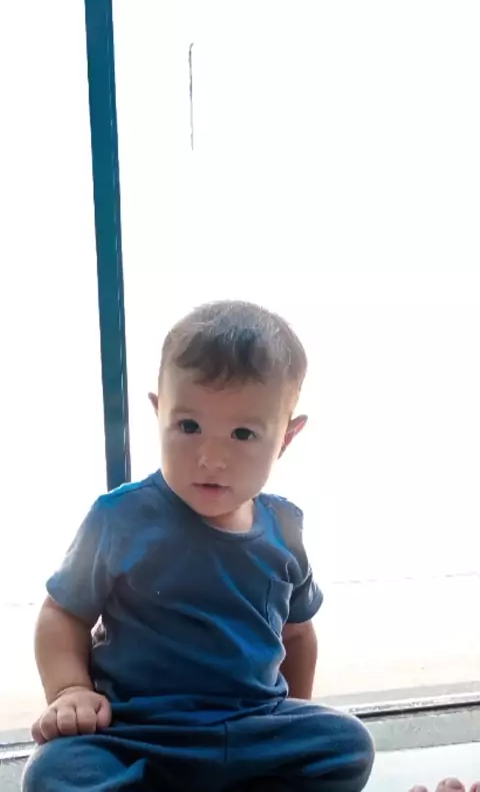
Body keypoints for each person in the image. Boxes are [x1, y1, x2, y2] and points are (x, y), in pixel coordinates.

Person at [23, 299, 374, 791]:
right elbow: (63, 614)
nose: (211, 458)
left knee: (347, 744)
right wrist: (70, 690)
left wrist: (287, 723)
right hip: (138, 733)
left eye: (243, 434)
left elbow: (297, 636)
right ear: (159, 412)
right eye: (189, 427)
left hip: (250, 727)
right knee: (55, 769)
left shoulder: (285, 529)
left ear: (286, 438)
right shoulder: (120, 517)